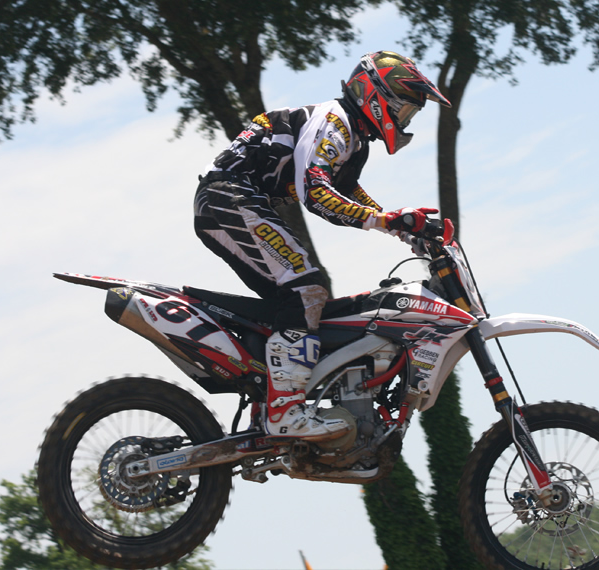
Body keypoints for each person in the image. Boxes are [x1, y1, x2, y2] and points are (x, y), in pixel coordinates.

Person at [193, 51, 451, 441]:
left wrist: (403, 229)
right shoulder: (335, 122)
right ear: (375, 95)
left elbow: (348, 192)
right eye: (403, 108)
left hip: (235, 200)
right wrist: (386, 221)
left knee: (293, 302)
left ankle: (267, 405)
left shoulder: (354, 137)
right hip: (227, 197)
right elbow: (317, 192)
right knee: (306, 289)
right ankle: (284, 413)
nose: (404, 120)